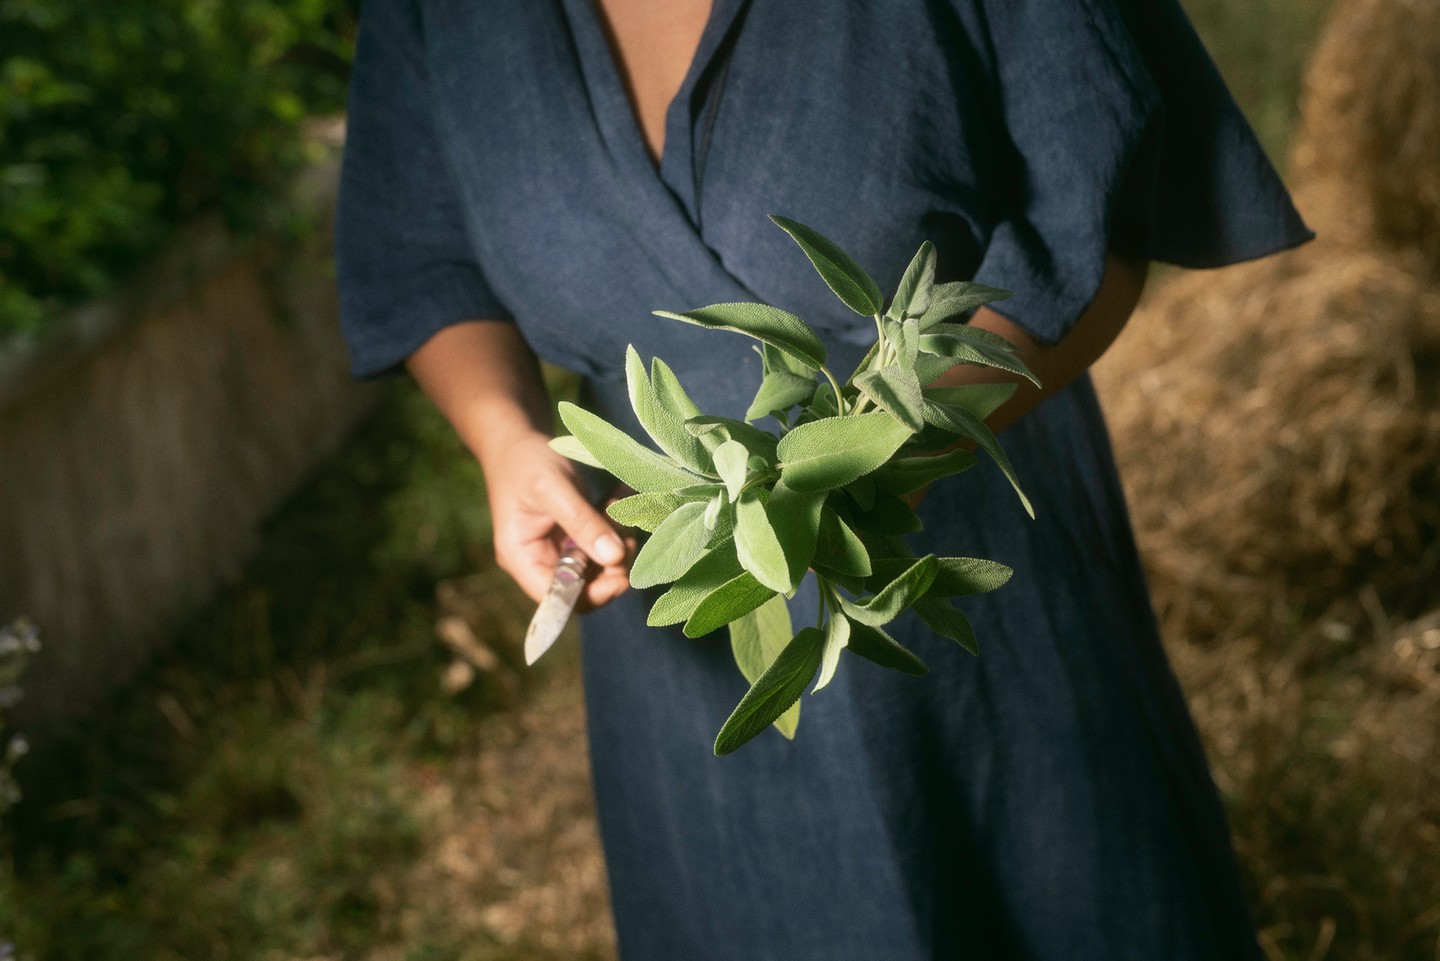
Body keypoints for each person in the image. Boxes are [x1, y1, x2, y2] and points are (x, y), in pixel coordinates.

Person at [335, 1, 1312, 958]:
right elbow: (421, 259)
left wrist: (905, 435)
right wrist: (505, 436)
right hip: (679, 608)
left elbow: (1095, 203)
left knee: (1059, 894)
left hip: (977, 555)